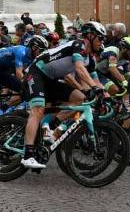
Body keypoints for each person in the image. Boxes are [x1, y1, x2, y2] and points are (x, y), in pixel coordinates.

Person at [20, 22, 105, 169]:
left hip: (50, 79)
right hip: (36, 72)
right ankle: (27, 155)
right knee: (38, 110)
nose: (101, 42)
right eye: (100, 38)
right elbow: (79, 69)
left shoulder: (90, 59)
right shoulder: (79, 44)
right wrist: (93, 88)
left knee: (80, 100)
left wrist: (102, 93)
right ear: (90, 36)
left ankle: (51, 128)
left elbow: (94, 81)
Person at [0, 36, 48, 123]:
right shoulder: (21, 52)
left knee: (23, 92)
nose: (42, 53)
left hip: (5, 70)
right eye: (41, 51)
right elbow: (19, 74)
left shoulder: (33, 58)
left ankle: (4, 108)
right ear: (34, 47)